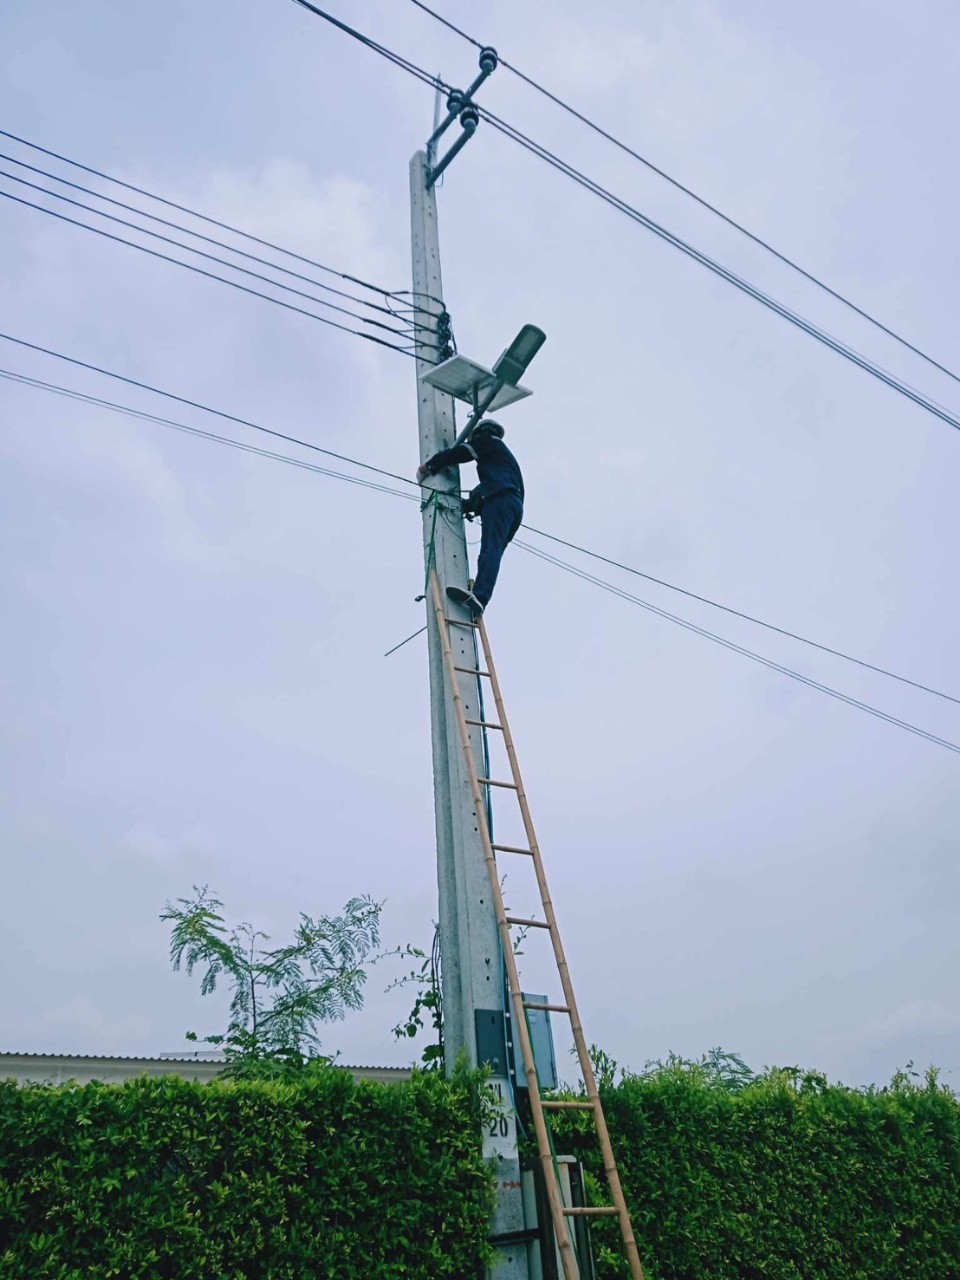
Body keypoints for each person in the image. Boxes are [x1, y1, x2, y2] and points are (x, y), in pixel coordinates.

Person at [417, 419, 524, 616]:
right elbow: (486, 492)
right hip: (512, 507)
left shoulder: (487, 442)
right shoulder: (503, 461)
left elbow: (459, 453)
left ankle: (481, 596)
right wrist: (464, 505)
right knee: (490, 553)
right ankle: (480, 597)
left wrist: (430, 465)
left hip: (500, 501)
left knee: (490, 550)